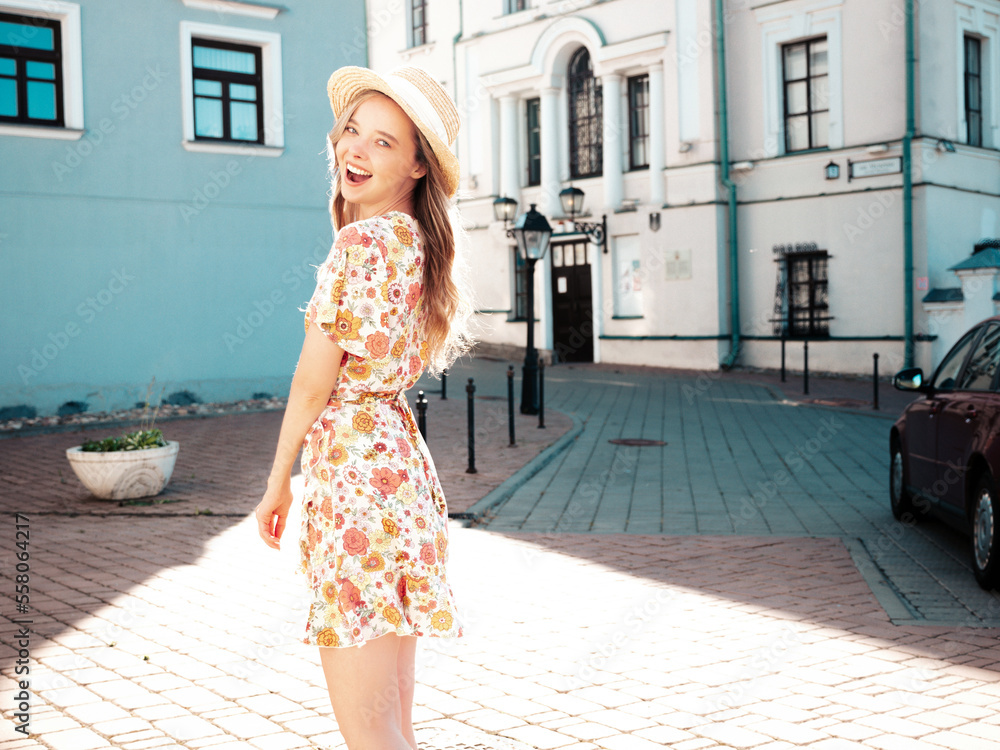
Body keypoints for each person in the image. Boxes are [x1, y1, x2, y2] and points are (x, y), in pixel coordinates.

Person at [255, 65, 472, 750]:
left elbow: (314, 381)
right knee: (395, 726)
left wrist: (275, 480)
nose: (355, 150)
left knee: (370, 734)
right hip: (401, 481)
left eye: (382, 142)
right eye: (353, 131)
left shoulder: (363, 244)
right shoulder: (419, 247)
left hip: (356, 486)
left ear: (416, 164)